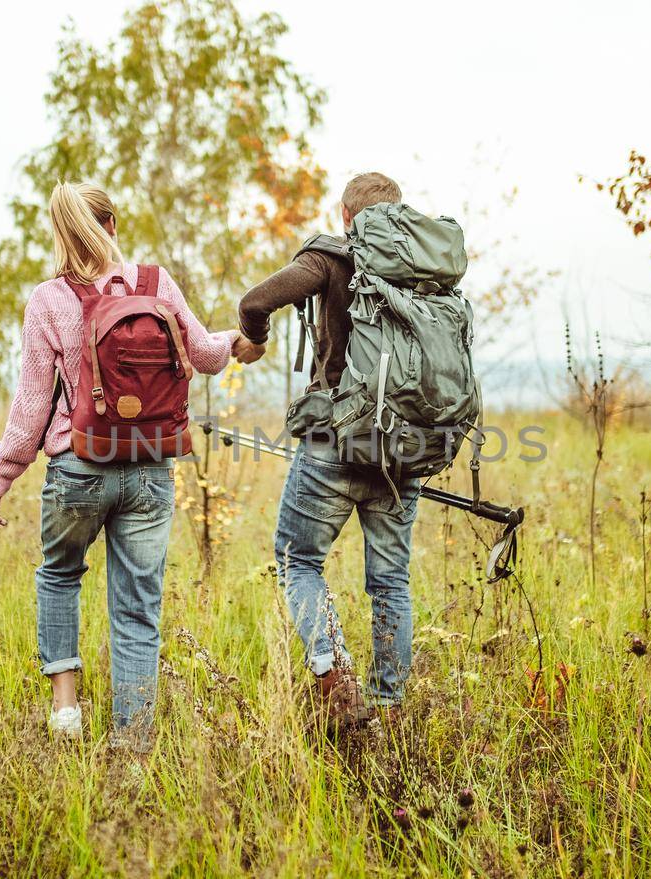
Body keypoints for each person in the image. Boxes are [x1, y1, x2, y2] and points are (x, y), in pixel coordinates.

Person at [0, 182, 237, 746]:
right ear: (112, 227)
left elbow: (30, 406)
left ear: (61, 234)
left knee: (58, 574)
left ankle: (67, 715)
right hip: (149, 466)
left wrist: (2, 476)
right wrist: (237, 339)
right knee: (138, 606)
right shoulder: (156, 283)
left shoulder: (49, 300)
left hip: (79, 466)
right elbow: (205, 354)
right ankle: (134, 742)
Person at [232, 172, 421, 728]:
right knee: (390, 582)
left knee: (298, 560)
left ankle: (336, 677)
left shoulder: (331, 259)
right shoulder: (425, 270)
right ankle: (387, 711)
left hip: (334, 444)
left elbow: (256, 300)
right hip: (403, 449)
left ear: (345, 216)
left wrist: (257, 337)